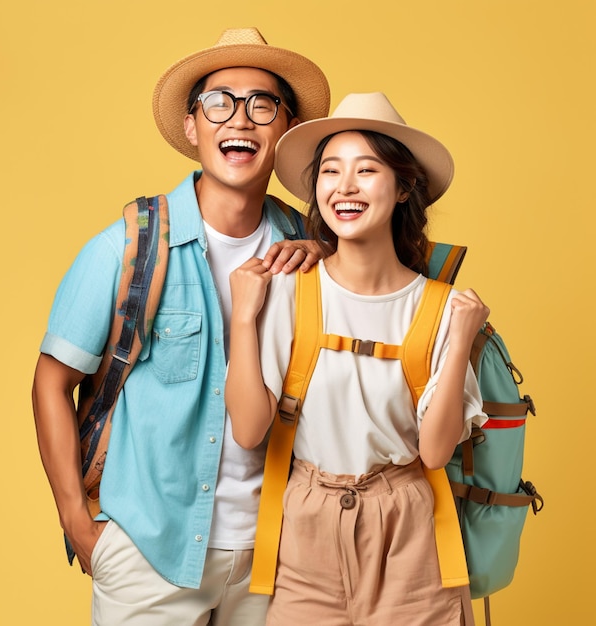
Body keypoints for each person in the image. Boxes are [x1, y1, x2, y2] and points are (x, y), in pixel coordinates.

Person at [31, 27, 330, 625]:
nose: (239, 120)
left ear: (286, 132)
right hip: (151, 553)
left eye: (262, 105)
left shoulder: (310, 251)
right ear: (193, 127)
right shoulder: (128, 248)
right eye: (218, 102)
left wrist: (326, 254)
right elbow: (50, 381)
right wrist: (75, 519)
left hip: (278, 560)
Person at [225, 92, 489, 625]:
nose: (344, 187)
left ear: (404, 187)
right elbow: (250, 430)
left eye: (366, 170)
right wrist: (243, 318)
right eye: (330, 171)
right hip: (306, 531)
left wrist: (460, 340)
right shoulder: (290, 292)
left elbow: (436, 452)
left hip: (411, 532)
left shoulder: (441, 308)